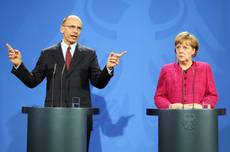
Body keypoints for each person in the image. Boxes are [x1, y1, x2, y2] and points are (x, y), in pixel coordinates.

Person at [7, 15, 126, 151]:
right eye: (72, 27)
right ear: (62, 29)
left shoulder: (89, 54)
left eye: (79, 28)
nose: (76, 31)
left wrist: (108, 68)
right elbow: (32, 81)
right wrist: (18, 65)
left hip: (79, 119)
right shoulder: (47, 53)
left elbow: (98, 82)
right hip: (53, 117)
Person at [154, 31, 218, 109]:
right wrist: (171, 106)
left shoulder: (205, 68)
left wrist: (202, 106)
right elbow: (159, 97)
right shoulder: (166, 70)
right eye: (178, 47)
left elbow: (212, 95)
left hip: (199, 117)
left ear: (193, 51)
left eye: (185, 47)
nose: (180, 51)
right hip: (173, 117)